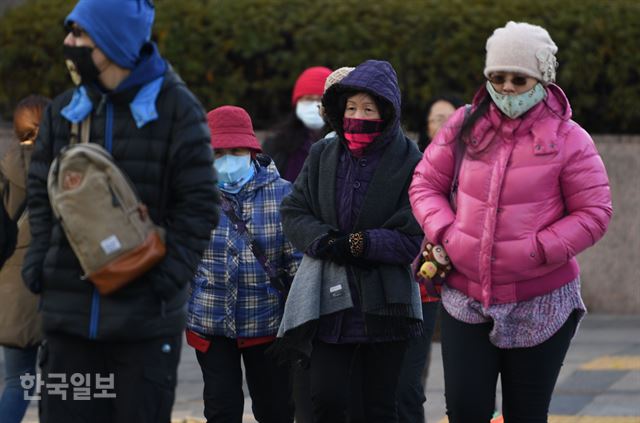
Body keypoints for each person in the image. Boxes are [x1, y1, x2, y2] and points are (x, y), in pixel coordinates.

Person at [21, 0, 219, 421]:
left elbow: (199, 206)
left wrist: (165, 281)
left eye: (79, 33)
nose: (67, 42)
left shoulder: (177, 110)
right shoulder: (65, 110)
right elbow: (40, 193)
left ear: (112, 40)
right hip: (67, 324)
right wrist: (40, 265)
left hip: (143, 330)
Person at [409, 21, 612, 423]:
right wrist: (447, 231)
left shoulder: (571, 139)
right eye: (496, 78)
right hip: (465, 297)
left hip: (542, 302)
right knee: (465, 410)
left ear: (542, 79)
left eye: (518, 79)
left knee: (526, 414)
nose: (505, 89)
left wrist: (540, 248)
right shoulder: (462, 125)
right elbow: (424, 184)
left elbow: (595, 211)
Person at [279, 59, 424, 423]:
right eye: (351, 108)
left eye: (368, 109)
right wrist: (324, 241)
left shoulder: (409, 160)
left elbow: (410, 237)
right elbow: (294, 210)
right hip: (329, 297)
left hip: (387, 302)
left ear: (387, 112)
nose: (357, 116)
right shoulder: (323, 154)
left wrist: (361, 244)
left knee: (379, 406)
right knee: (325, 397)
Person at [186, 105, 301, 423]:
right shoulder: (194, 196)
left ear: (252, 150)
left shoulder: (283, 196)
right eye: (217, 152)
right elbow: (183, 258)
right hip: (211, 322)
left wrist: (299, 321)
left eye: (234, 150)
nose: (226, 160)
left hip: (267, 324)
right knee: (220, 409)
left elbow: (296, 262)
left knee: (275, 409)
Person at [396, 93, 464, 423]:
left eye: (449, 117)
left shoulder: (475, 166)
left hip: (464, 284)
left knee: (466, 377)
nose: (442, 125)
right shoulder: (412, 164)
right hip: (422, 281)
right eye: (436, 118)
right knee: (409, 377)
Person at [0, 95, 49, 423]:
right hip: (56, 287)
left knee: (17, 380)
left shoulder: (4, 168)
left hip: (11, 290)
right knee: (68, 384)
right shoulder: (66, 168)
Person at [263, 66, 332, 182]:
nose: (315, 105)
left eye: (321, 99)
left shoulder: (343, 145)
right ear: (297, 103)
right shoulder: (277, 144)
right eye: (308, 99)